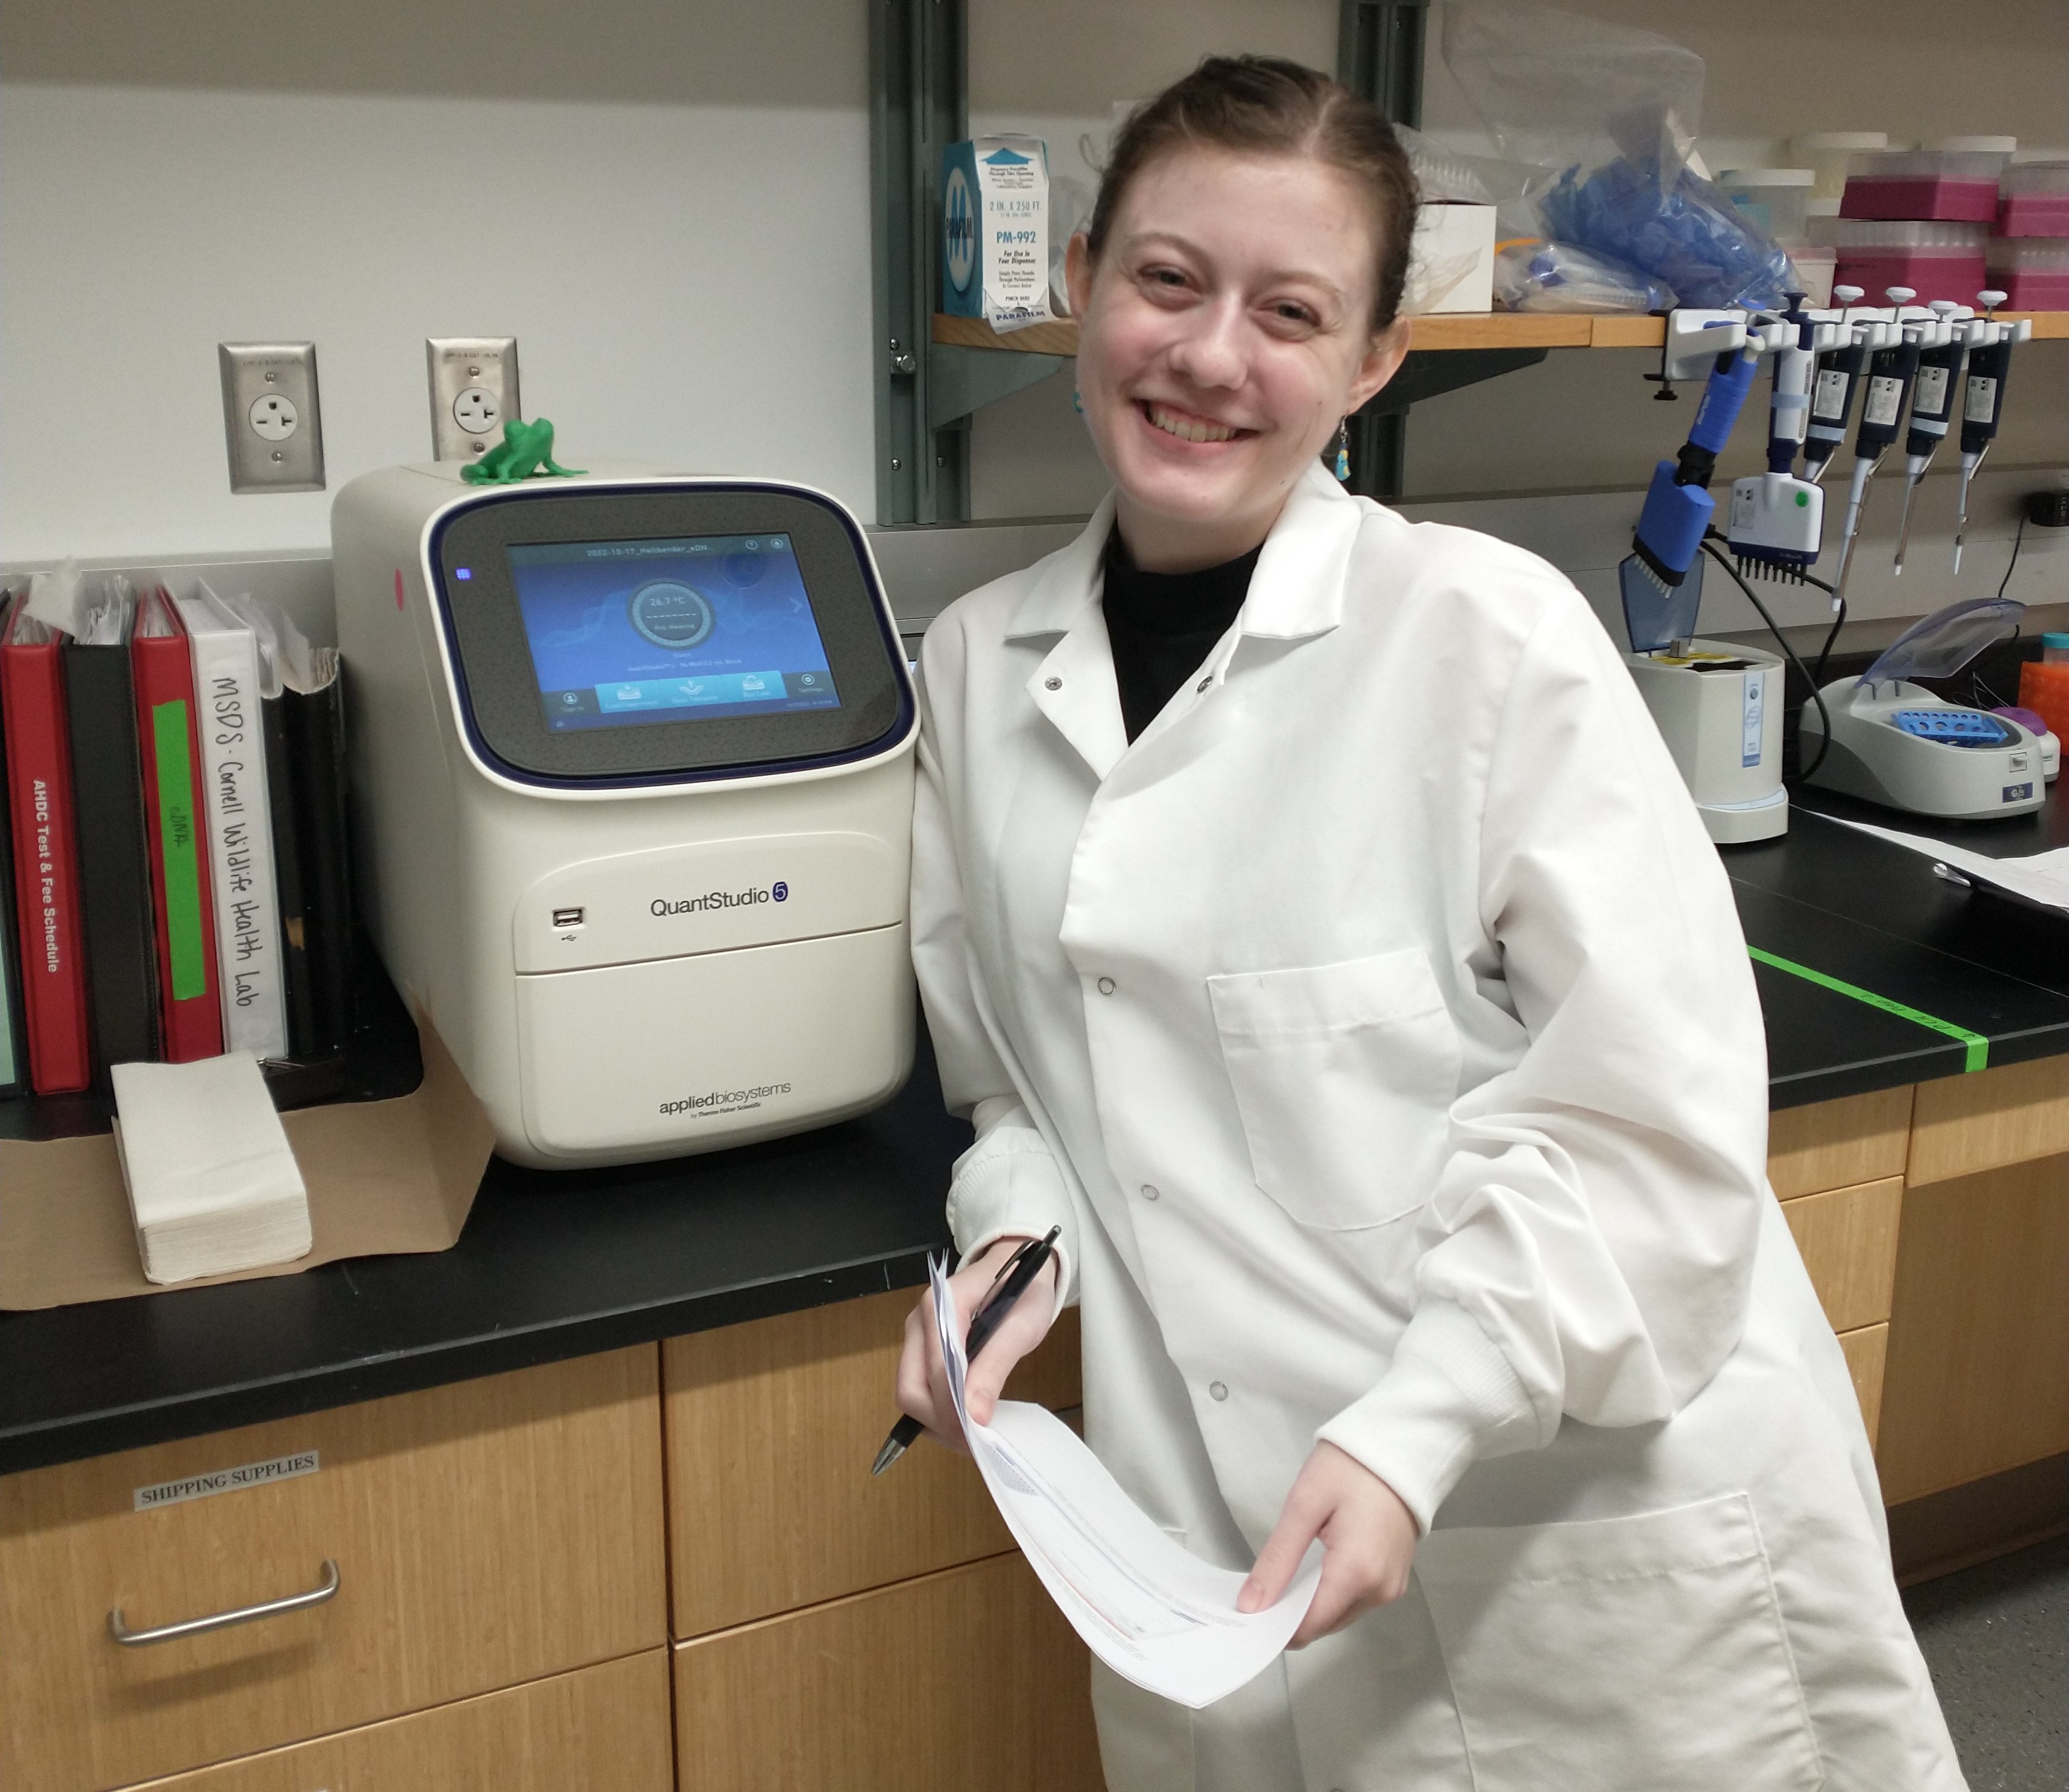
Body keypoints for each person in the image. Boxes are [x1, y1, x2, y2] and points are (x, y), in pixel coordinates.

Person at [895, 54, 1962, 1792]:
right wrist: (1017, 1246)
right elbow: (1020, 1078)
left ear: (1376, 357)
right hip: (1220, 1556)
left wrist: (1414, 1432)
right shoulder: (975, 661)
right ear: (1082, 280)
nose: (1211, 355)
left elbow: (1655, 1124)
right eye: (1167, 279)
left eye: (1290, 309)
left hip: (1564, 1524)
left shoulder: (1484, 638)